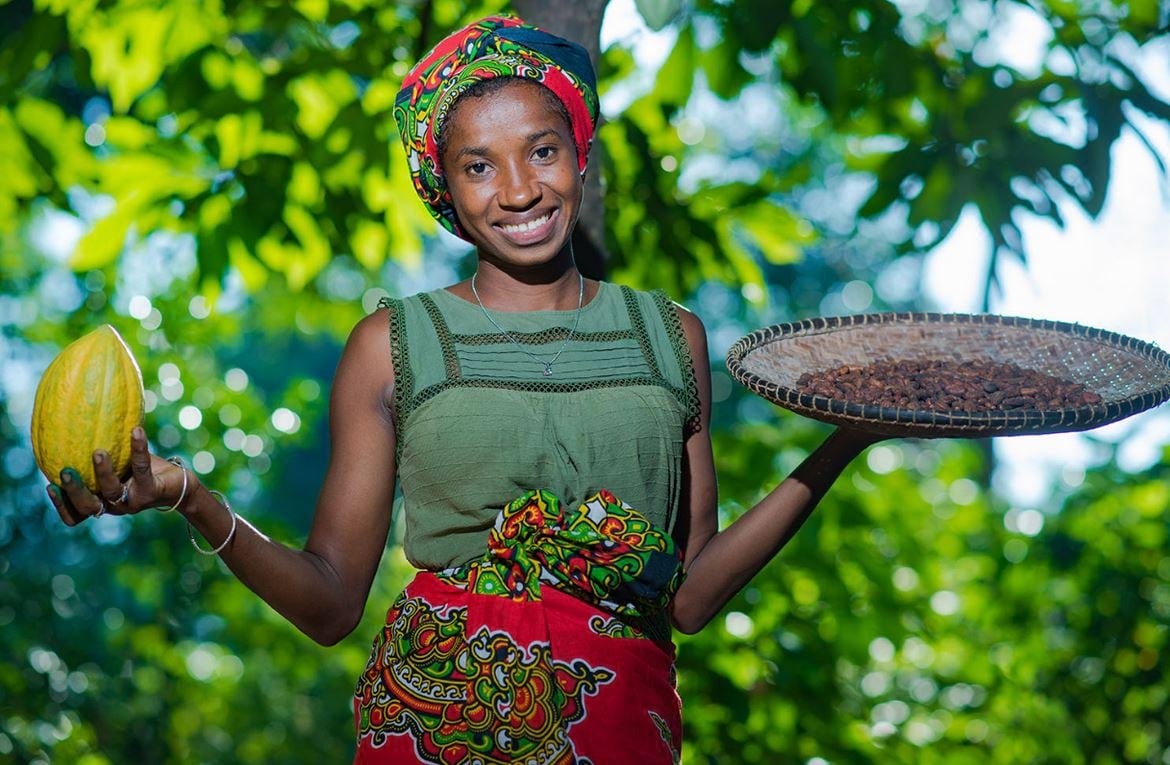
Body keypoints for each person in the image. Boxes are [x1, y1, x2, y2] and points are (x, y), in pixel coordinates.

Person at [46, 14, 882, 764]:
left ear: (579, 153)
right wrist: (192, 494)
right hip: (433, 729)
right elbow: (333, 602)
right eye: (478, 166)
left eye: (542, 151)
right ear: (444, 187)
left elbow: (692, 595)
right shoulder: (390, 345)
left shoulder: (671, 336)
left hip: (621, 720)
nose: (519, 190)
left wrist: (845, 438)